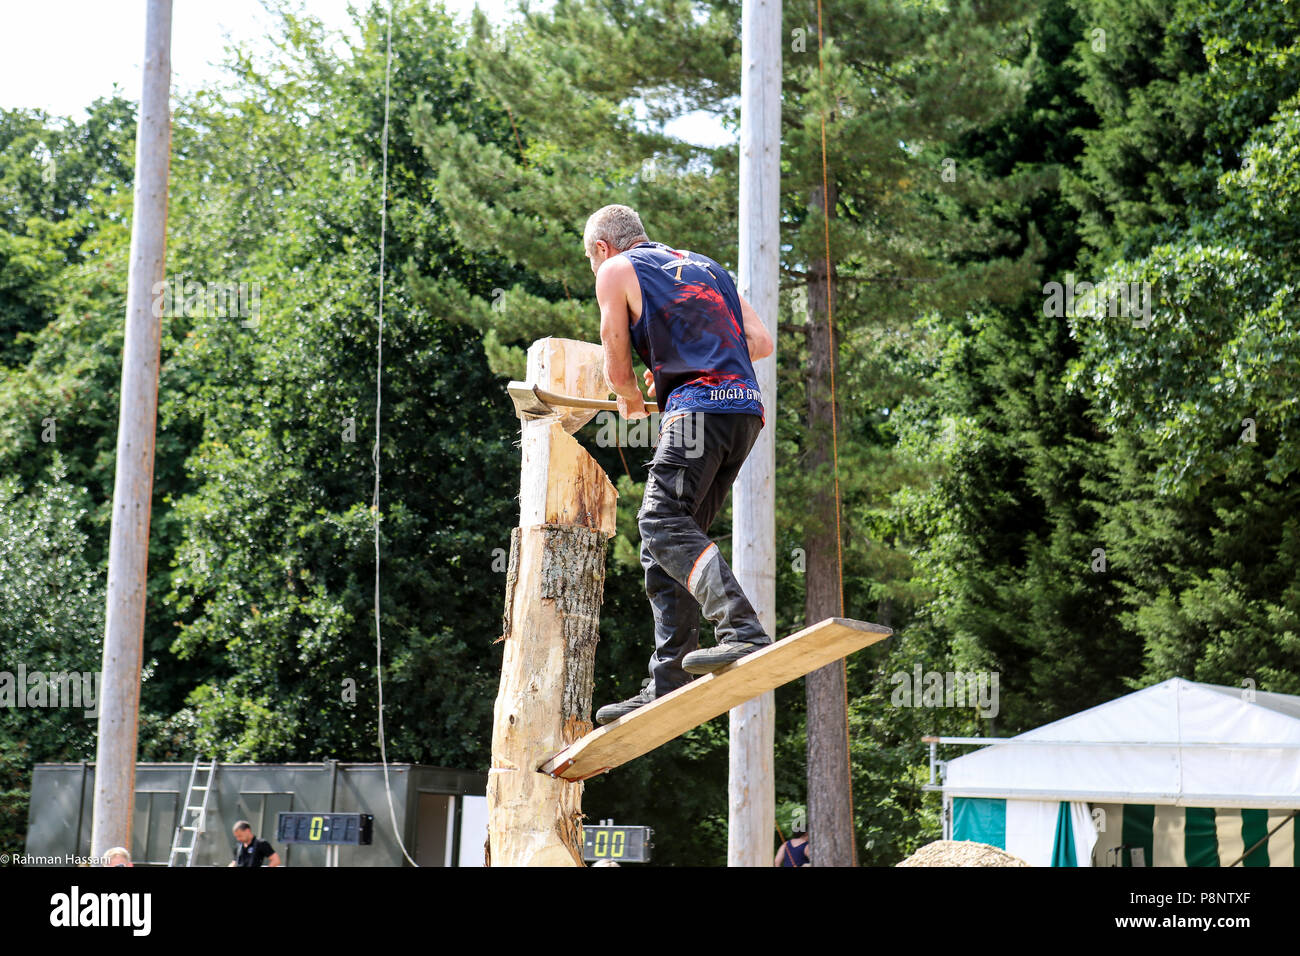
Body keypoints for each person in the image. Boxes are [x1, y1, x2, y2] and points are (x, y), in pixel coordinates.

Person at [585, 204, 776, 724]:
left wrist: (627, 396)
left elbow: (613, 347)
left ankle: (740, 629)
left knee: (658, 520)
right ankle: (667, 683)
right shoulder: (710, 268)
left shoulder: (615, 271)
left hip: (695, 411)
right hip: (744, 415)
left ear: (603, 248)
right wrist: (681, 360)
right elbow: (759, 341)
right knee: (667, 546)